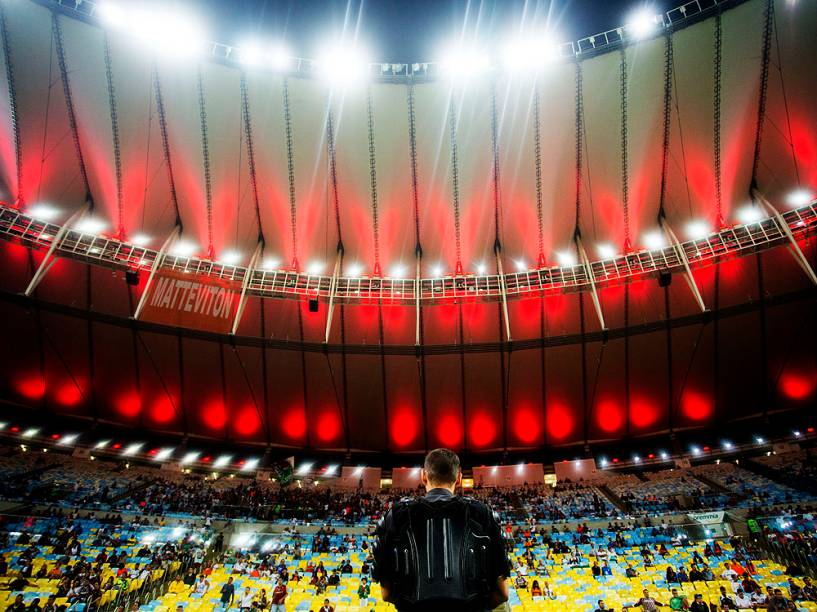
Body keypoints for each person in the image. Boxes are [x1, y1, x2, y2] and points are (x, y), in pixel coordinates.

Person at [373, 448, 511, 611]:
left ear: (423, 476)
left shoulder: (396, 515)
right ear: (459, 477)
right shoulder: (482, 513)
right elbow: (503, 594)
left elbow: (386, 594)